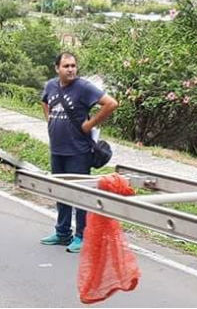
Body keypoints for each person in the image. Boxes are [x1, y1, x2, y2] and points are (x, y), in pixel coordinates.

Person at [40, 52, 118, 253]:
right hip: (57, 150)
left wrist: (89, 124)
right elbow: (44, 101)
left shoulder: (83, 87)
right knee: (61, 191)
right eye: (66, 66)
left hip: (78, 151)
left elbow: (111, 103)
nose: (70, 69)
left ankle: (82, 235)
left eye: (73, 65)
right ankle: (62, 232)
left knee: (80, 194)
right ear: (57, 68)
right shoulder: (51, 85)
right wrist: (50, 121)